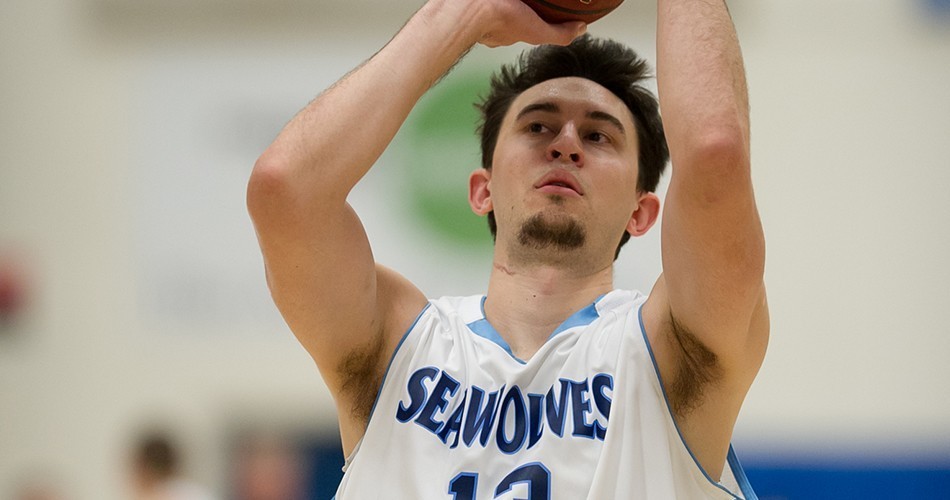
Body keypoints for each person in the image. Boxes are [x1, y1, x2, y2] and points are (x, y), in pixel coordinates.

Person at [247, 0, 768, 498]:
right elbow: (286, 192)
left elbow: (715, 159)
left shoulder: (671, 347)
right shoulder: (396, 345)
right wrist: (462, 14)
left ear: (642, 211)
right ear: (483, 189)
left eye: (599, 136)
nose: (564, 144)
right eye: (537, 125)